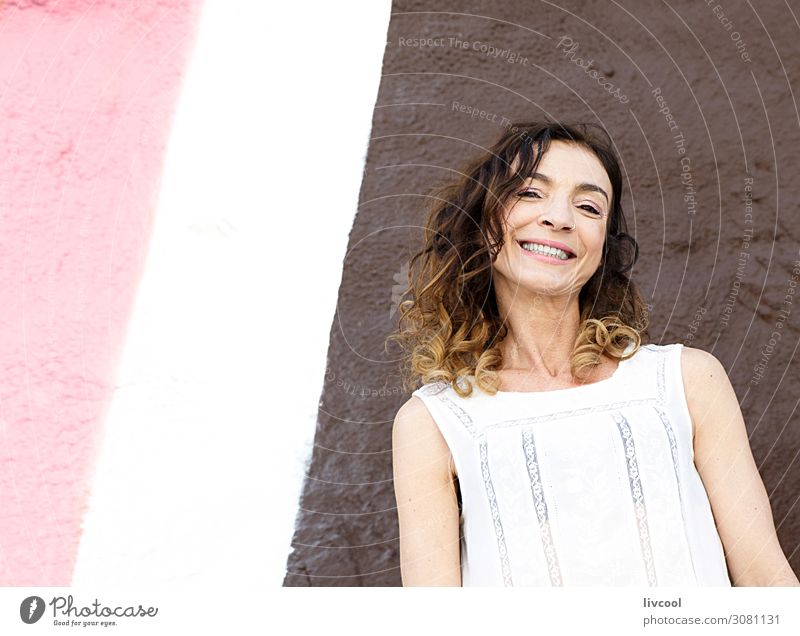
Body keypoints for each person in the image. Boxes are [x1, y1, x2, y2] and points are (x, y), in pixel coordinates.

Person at [387, 121, 799, 587]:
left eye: (588, 207)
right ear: (483, 225)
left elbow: (768, 580)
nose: (560, 218)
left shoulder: (686, 382)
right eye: (529, 193)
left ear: (603, 247)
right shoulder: (433, 422)